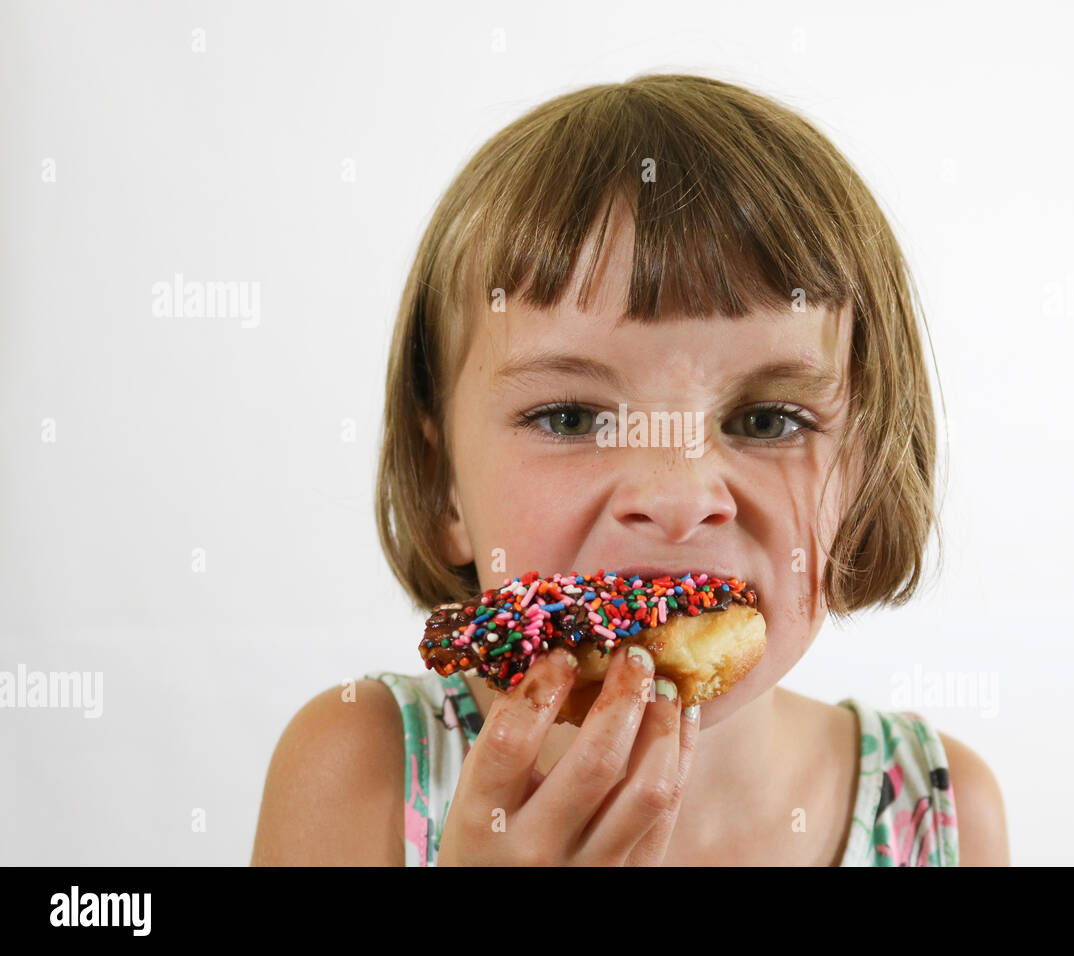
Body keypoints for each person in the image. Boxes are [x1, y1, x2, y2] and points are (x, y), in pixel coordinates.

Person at [252, 73, 1009, 866]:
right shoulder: (361, 772)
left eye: (766, 421)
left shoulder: (940, 806)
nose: (679, 500)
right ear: (444, 486)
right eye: (570, 418)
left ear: (866, 479)